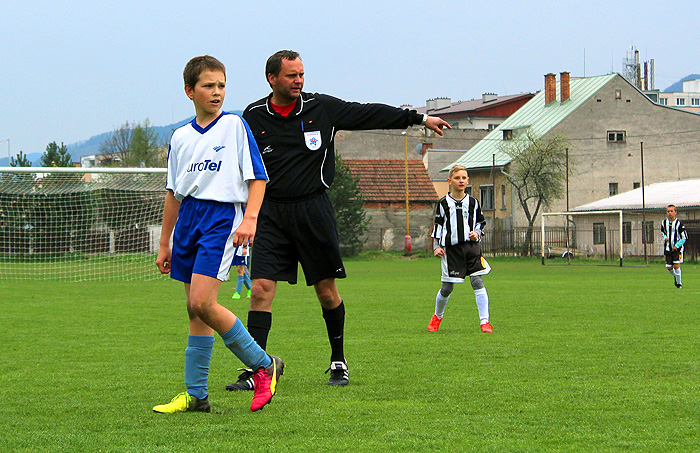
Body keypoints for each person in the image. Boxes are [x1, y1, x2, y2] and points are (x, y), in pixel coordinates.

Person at [225, 49, 450, 391]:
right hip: (270, 213)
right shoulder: (253, 116)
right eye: (291, 75)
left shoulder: (321, 108)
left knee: (327, 291)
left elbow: (367, 113)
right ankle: (257, 369)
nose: (299, 80)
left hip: (313, 210)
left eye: (301, 74)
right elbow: (238, 166)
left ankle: (338, 361)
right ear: (272, 79)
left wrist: (419, 119)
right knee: (259, 290)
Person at [153, 55, 283, 414]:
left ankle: (264, 365)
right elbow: (173, 193)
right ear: (189, 91)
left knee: (203, 303)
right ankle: (196, 395)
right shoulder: (179, 137)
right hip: (189, 221)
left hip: (222, 218)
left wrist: (250, 220)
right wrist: (164, 242)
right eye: (208, 85)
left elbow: (258, 178)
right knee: (195, 313)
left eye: (222, 85)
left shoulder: (235, 126)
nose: (217, 92)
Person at [429, 165, 493, 333]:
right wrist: (436, 247)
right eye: (457, 178)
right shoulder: (443, 203)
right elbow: (438, 227)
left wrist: (476, 234)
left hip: (472, 249)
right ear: (450, 181)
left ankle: (484, 322)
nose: (461, 181)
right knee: (447, 288)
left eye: (464, 178)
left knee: (477, 281)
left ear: (468, 181)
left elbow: (480, 223)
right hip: (452, 251)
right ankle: (437, 317)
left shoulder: (473, 202)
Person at [661, 204, 687, 289]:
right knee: (669, 267)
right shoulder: (664, 223)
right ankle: (676, 277)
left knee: (676, 265)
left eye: (671, 211)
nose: (670, 213)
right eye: (668, 211)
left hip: (677, 249)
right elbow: (663, 232)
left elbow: (684, 237)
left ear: (675, 212)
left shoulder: (679, 224)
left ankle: (679, 284)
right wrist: (665, 237)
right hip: (668, 248)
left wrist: (677, 245)